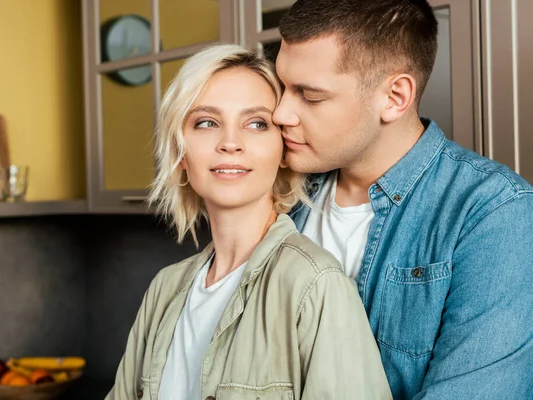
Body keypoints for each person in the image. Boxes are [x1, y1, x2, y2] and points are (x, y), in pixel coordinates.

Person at [273, 0, 533, 399]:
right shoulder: (282, 193)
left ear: (395, 97)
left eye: (309, 95)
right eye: (282, 88)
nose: (280, 113)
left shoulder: (495, 212)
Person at [105, 44, 392, 400]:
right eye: (206, 122)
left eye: (256, 124)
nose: (230, 143)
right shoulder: (164, 290)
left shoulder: (315, 285)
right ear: (180, 153)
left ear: (283, 149)